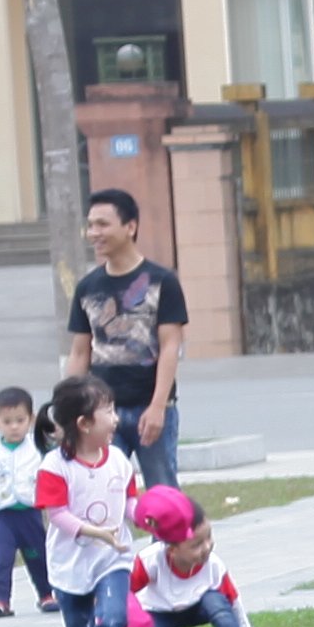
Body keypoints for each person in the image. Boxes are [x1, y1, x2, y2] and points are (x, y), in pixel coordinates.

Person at [30, 377, 143, 627]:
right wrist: (96, 532)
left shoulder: (120, 459)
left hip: (113, 557)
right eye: (107, 410)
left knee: (112, 618)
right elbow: (58, 515)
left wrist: (151, 518)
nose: (116, 418)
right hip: (70, 563)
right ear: (84, 423)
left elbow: (129, 503)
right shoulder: (54, 467)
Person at [68, 184, 189, 496]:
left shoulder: (162, 282)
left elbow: (170, 347)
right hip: (100, 413)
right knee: (104, 494)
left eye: (103, 224)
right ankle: (113, 547)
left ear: (130, 227)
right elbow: (80, 353)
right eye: (91, 225)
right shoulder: (87, 288)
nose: (94, 232)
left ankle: (167, 547)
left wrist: (158, 406)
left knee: (163, 496)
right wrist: (69, 408)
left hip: (151, 407)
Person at [128, 487, 252, 627]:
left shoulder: (214, 566)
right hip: (160, 613)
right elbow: (124, 594)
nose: (207, 547)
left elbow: (235, 605)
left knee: (217, 603)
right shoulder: (149, 561)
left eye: (208, 537)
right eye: (196, 545)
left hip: (200, 607)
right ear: (172, 550)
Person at [0, 385, 56, 619]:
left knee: (38, 555)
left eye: (20, 420)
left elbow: (53, 477)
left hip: (29, 514)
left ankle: (46, 594)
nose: (14, 426)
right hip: (2, 516)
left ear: (31, 419)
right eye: (7, 421)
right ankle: (1, 601)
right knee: (3, 558)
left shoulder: (39, 448)